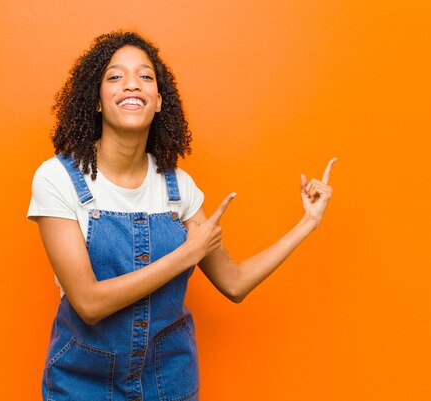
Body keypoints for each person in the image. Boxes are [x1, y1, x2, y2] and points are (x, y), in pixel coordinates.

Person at [27, 31, 336, 401]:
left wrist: (307, 223)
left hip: (169, 382)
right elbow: (89, 303)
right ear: (96, 100)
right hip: (82, 383)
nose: (131, 84)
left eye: (145, 76)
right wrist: (187, 254)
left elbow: (234, 283)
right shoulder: (57, 178)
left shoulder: (179, 187)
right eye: (114, 76)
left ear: (158, 101)